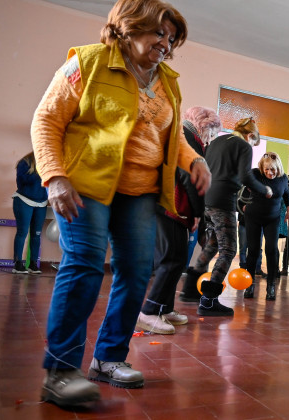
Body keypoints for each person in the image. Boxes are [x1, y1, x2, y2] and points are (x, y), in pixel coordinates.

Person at [31, 0, 210, 408]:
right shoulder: (88, 62)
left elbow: (170, 136)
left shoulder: (167, 80)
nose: (165, 44)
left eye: (170, 38)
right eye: (157, 33)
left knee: (136, 269)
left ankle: (109, 358)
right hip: (86, 183)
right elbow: (46, 120)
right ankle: (60, 371)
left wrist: (194, 159)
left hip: (142, 190)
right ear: (128, 27)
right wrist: (54, 176)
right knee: (86, 264)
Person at [136, 106, 219, 335]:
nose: (211, 140)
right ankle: (150, 311)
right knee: (171, 259)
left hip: (172, 206)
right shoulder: (188, 137)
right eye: (212, 133)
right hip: (169, 206)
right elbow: (189, 176)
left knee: (177, 258)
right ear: (204, 126)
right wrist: (198, 214)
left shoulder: (187, 136)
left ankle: (165, 308)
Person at [181, 117, 271, 315]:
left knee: (212, 244)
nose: (251, 146)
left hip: (207, 199)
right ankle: (209, 301)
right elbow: (246, 176)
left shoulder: (216, 142)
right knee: (229, 250)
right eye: (253, 142)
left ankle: (189, 290)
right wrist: (264, 189)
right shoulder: (244, 146)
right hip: (223, 201)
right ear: (250, 136)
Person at [242, 153, 289, 300]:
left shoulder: (283, 178)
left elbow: (287, 194)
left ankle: (271, 285)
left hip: (273, 218)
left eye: (273, 170)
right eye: (267, 169)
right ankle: (249, 284)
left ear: (278, 168)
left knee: (271, 249)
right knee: (253, 250)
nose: (270, 173)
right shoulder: (255, 174)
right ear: (262, 168)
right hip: (253, 217)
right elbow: (245, 180)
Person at [12, 152, 48, 274]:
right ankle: (18, 264)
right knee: (22, 232)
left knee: (36, 234)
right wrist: (40, 172)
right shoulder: (25, 162)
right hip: (24, 200)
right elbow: (22, 182)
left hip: (42, 203)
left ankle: (33, 264)